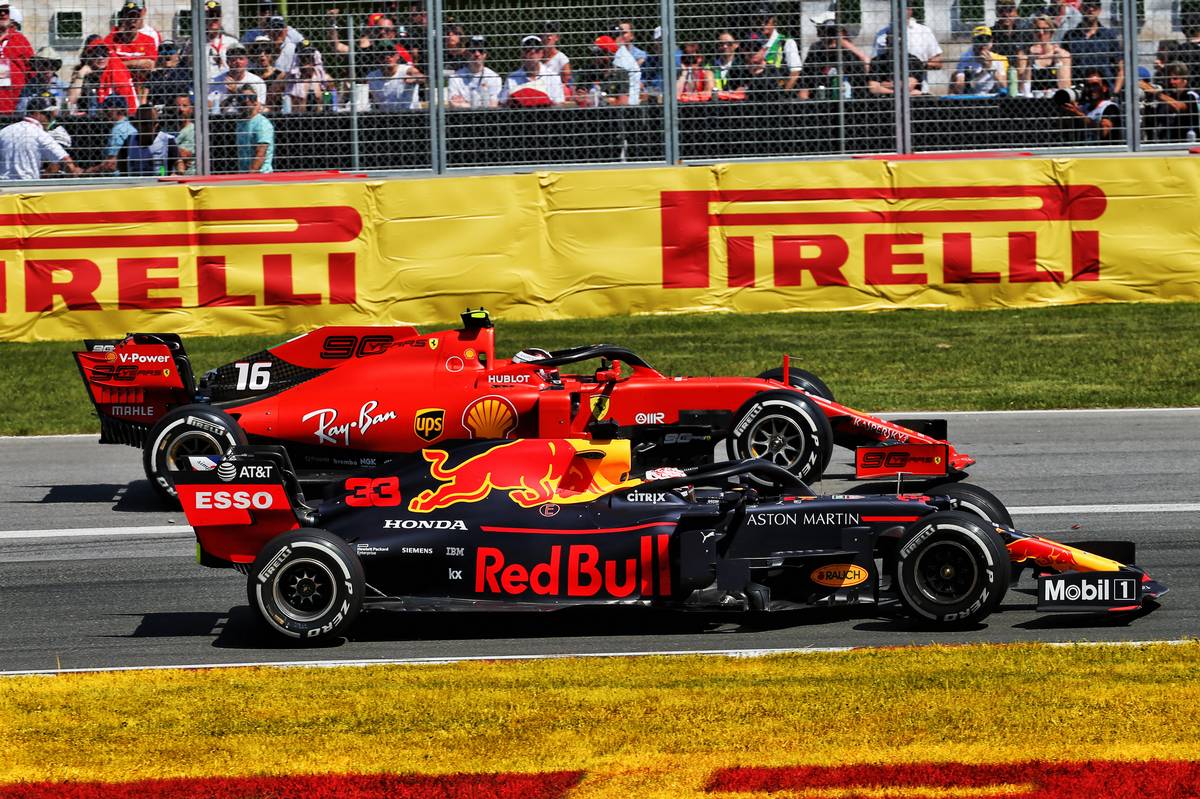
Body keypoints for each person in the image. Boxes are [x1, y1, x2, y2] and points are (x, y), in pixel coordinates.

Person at [0, 93, 80, 179]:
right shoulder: (40, 134)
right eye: (49, 114)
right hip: (28, 185)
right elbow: (67, 162)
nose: (52, 117)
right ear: (37, 113)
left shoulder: (5, 131)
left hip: (4, 185)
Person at [799, 11, 870, 100]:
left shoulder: (849, 53)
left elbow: (866, 65)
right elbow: (804, 86)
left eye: (820, 30)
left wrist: (842, 41)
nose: (818, 34)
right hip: (822, 104)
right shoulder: (816, 52)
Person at [872, 7, 943, 91]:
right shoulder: (882, 34)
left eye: (904, 6)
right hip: (887, 89)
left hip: (917, 87)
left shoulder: (924, 31)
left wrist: (918, 66)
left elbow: (938, 62)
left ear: (910, 9)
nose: (898, 10)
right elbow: (875, 62)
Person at [1061, 0, 1123, 93]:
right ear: (1081, 8)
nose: (1091, 9)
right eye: (1087, 6)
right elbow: (1063, 67)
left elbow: (1121, 69)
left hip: (1104, 92)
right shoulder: (1070, 36)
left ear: (1100, 10)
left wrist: (1114, 93)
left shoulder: (1109, 36)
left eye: (1095, 6)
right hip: (1079, 91)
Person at [102, 1, 158, 100]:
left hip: (141, 89)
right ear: (123, 19)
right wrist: (138, 62)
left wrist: (119, 63)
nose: (133, 20)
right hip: (117, 89)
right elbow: (107, 65)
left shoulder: (148, 40)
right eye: (129, 16)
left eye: (135, 16)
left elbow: (150, 65)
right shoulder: (111, 39)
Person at [67, 44, 137, 116]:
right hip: (87, 119)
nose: (101, 58)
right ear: (89, 56)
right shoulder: (82, 73)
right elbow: (72, 100)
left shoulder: (114, 74)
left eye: (104, 54)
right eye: (96, 54)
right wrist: (81, 74)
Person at [1060, 65, 1120, 140]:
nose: (1091, 89)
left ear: (1104, 88)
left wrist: (1080, 115)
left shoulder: (1110, 107)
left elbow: (1104, 131)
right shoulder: (1084, 107)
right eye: (1088, 85)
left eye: (1095, 85)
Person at [117, 103, 179, 176]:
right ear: (136, 124)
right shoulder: (130, 141)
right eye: (144, 123)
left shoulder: (167, 141)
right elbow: (121, 164)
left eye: (152, 123)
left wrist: (177, 172)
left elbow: (178, 163)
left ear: (156, 124)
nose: (148, 127)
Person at [750, 11, 802, 97]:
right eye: (759, 21)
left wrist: (783, 96)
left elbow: (795, 73)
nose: (762, 24)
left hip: (778, 95)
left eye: (766, 21)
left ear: (774, 23)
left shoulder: (786, 42)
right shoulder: (753, 44)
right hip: (757, 95)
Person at [502, 35, 564, 106]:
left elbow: (559, 104)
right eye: (528, 49)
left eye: (537, 49)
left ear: (542, 53)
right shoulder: (512, 78)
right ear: (522, 54)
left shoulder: (553, 77)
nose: (533, 51)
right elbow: (503, 103)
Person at [1144, 61, 1199, 141]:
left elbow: (1179, 106)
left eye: (1175, 79)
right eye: (1170, 79)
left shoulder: (1191, 95)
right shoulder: (1171, 95)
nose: (1171, 82)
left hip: (1189, 143)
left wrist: (1156, 93)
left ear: (1184, 79)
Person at [84, 93, 138, 174]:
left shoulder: (117, 131)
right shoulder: (130, 127)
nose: (105, 111)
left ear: (117, 109)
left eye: (107, 108)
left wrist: (89, 171)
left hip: (117, 177)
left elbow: (111, 164)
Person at [951, 25, 1010, 95]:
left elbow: (1004, 85)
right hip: (972, 95)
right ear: (973, 41)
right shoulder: (966, 58)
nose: (983, 43)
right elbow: (959, 87)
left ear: (991, 42)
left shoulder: (999, 59)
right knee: (954, 75)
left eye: (986, 39)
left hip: (993, 95)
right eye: (979, 39)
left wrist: (991, 67)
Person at [209, 44, 267, 114]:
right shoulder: (216, 81)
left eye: (241, 59)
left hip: (247, 118)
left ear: (247, 61)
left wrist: (236, 92)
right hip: (222, 119)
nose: (238, 62)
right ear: (227, 62)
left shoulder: (257, 81)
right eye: (233, 59)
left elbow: (258, 107)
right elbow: (210, 105)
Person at [447, 35, 501, 108]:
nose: (477, 54)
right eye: (473, 50)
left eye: (481, 50)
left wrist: (465, 104)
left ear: (485, 54)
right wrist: (483, 104)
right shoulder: (455, 78)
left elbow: (493, 105)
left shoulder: (494, 77)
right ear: (467, 52)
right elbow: (453, 104)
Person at [0, 0, 34, 116]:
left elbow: (32, 72)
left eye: (6, 11)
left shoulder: (19, 40)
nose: (3, 14)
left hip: (15, 112)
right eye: (0, 11)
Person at [367, 42, 423, 110]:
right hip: (386, 116)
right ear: (377, 57)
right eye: (382, 54)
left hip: (410, 115)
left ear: (397, 56)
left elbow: (421, 77)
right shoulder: (372, 76)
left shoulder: (406, 70)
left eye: (391, 54)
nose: (387, 57)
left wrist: (415, 78)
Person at [1025, 15, 1072, 96]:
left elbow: (1065, 87)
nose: (1041, 33)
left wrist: (1058, 63)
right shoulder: (1025, 55)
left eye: (1045, 30)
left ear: (1051, 32)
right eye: (1037, 30)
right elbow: (1023, 88)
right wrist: (1029, 62)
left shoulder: (1062, 54)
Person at [286, 42, 336, 112]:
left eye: (309, 56)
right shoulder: (289, 80)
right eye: (303, 57)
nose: (306, 60)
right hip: (298, 119)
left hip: (320, 119)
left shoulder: (325, 80)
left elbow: (331, 96)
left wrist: (326, 99)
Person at [991, 0, 1031, 86]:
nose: (1006, 14)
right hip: (1000, 72)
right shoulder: (991, 33)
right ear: (997, 13)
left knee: (1022, 57)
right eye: (1001, 11)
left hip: (1021, 71)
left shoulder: (1025, 31)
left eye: (1009, 10)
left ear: (1015, 12)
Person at [17, 47, 66, 116]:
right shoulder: (29, 88)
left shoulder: (63, 87)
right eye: (44, 64)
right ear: (36, 65)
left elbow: (67, 111)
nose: (48, 68)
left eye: (53, 64)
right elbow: (21, 111)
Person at [235, 86, 273, 172]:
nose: (247, 100)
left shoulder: (262, 123)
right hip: (243, 172)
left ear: (256, 101)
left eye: (252, 97)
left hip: (260, 174)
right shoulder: (240, 123)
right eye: (243, 97)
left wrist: (251, 174)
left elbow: (261, 153)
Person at [146, 41, 192, 109]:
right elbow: (145, 97)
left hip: (178, 109)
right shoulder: (153, 75)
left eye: (171, 52)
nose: (167, 55)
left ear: (177, 55)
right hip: (158, 109)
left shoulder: (184, 72)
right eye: (163, 53)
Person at [249, 35, 286, 112]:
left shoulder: (280, 75)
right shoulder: (249, 75)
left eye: (267, 51)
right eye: (258, 51)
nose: (262, 55)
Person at [711, 30, 750, 100]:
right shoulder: (711, 65)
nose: (725, 46)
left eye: (729, 43)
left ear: (736, 44)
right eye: (721, 43)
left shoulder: (743, 67)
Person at [204, 0, 240, 74]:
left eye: (217, 15)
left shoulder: (232, 42)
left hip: (226, 83)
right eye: (210, 15)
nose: (214, 18)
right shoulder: (194, 43)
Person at [542, 22, 571, 92]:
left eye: (551, 34)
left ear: (557, 37)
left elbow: (566, 84)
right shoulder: (534, 55)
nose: (548, 37)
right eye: (545, 34)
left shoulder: (562, 59)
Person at [172, 93, 196, 174]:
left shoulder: (193, 130)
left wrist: (167, 148)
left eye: (185, 106)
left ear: (191, 109)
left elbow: (185, 154)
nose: (181, 109)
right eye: (178, 106)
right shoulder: (170, 130)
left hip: (190, 176)